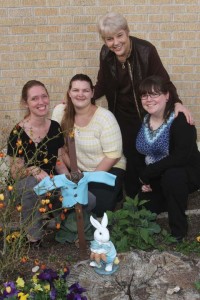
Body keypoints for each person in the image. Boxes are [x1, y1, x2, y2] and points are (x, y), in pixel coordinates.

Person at [93, 12, 193, 199]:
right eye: (109, 39)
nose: (115, 42)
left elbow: (164, 82)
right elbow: (102, 84)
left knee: (150, 157)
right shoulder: (106, 53)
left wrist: (178, 103)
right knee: (131, 159)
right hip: (122, 115)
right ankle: (133, 203)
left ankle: (154, 197)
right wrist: (82, 97)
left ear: (127, 32)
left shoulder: (146, 51)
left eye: (119, 35)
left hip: (147, 114)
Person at [135, 75, 200, 242]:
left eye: (154, 94)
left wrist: (148, 173)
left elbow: (180, 157)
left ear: (167, 96)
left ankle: (179, 231)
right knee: (143, 210)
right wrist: (145, 181)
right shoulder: (144, 120)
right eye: (144, 95)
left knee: (173, 176)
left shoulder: (181, 121)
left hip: (185, 173)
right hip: (157, 175)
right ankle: (163, 196)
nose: (149, 99)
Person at [7, 80, 71, 246]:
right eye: (34, 98)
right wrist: (33, 170)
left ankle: (66, 230)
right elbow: (15, 173)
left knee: (87, 198)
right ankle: (33, 238)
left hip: (49, 181)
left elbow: (58, 161)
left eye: (44, 96)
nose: (41, 102)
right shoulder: (17, 133)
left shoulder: (55, 127)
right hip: (23, 184)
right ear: (25, 103)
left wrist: (69, 180)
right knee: (31, 187)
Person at [56, 74, 126, 217]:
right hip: (78, 168)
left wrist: (87, 181)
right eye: (76, 90)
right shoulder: (60, 112)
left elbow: (113, 155)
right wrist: (73, 174)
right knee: (65, 203)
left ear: (92, 93)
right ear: (69, 93)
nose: (80, 94)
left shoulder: (105, 118)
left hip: (108, 168)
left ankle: (116, 191)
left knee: (97, 209)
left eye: (85, 90)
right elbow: (59, 148)